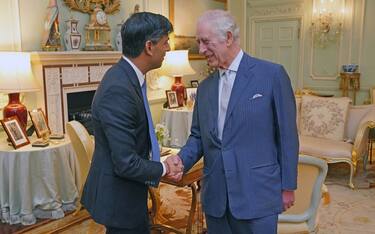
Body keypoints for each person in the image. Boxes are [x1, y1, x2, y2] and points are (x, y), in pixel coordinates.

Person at [166, 10, 299, 234]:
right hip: (217, 198)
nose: (201, 50)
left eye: (205, 42)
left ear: (228, 37)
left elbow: (287, 136)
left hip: (258, 195)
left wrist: (288, 187)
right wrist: (180, 160)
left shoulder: (271, 75)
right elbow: (198, 136)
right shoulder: (205, 87)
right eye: (199, 42)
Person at [81, 12, 181, 234]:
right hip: (119, 199)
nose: (168, 49)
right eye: (165, 43)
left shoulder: (128, 77)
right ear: (148, 46)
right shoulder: (119, 88)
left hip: (128, 194)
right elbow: (125, 163)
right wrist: (164, 168)